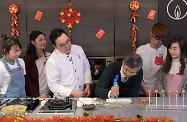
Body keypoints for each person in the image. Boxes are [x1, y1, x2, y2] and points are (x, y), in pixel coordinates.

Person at [45, 28, 92, 98]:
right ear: (55, 47)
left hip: (81, 95)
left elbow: (86, 67)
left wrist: (87, 85)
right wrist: (72, 92)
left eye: (68, 41)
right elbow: (53, 85)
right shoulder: (52, 61)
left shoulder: (78, 49)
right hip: (63, 100)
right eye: (62, 45)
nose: (67, 46)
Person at [136, 22, 169, 97]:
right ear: (151, 33)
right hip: (140, 88)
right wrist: (146, 90)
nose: (157, 42)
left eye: (160, 40)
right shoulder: (141, 50)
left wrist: (154, 90)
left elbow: (162, 74)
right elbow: (136, 72)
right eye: (155, 38)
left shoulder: (166, 51)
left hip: (158, 89)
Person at [24, 30, 52, 98]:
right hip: (36, 96)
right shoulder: (28, 60)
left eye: (44, 39)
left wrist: (50, 94)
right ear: (33, 42)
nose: (44, 42)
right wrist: (37, 96)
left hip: (49, 95)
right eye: (40, 40)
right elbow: (28, 81)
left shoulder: (49, 56)